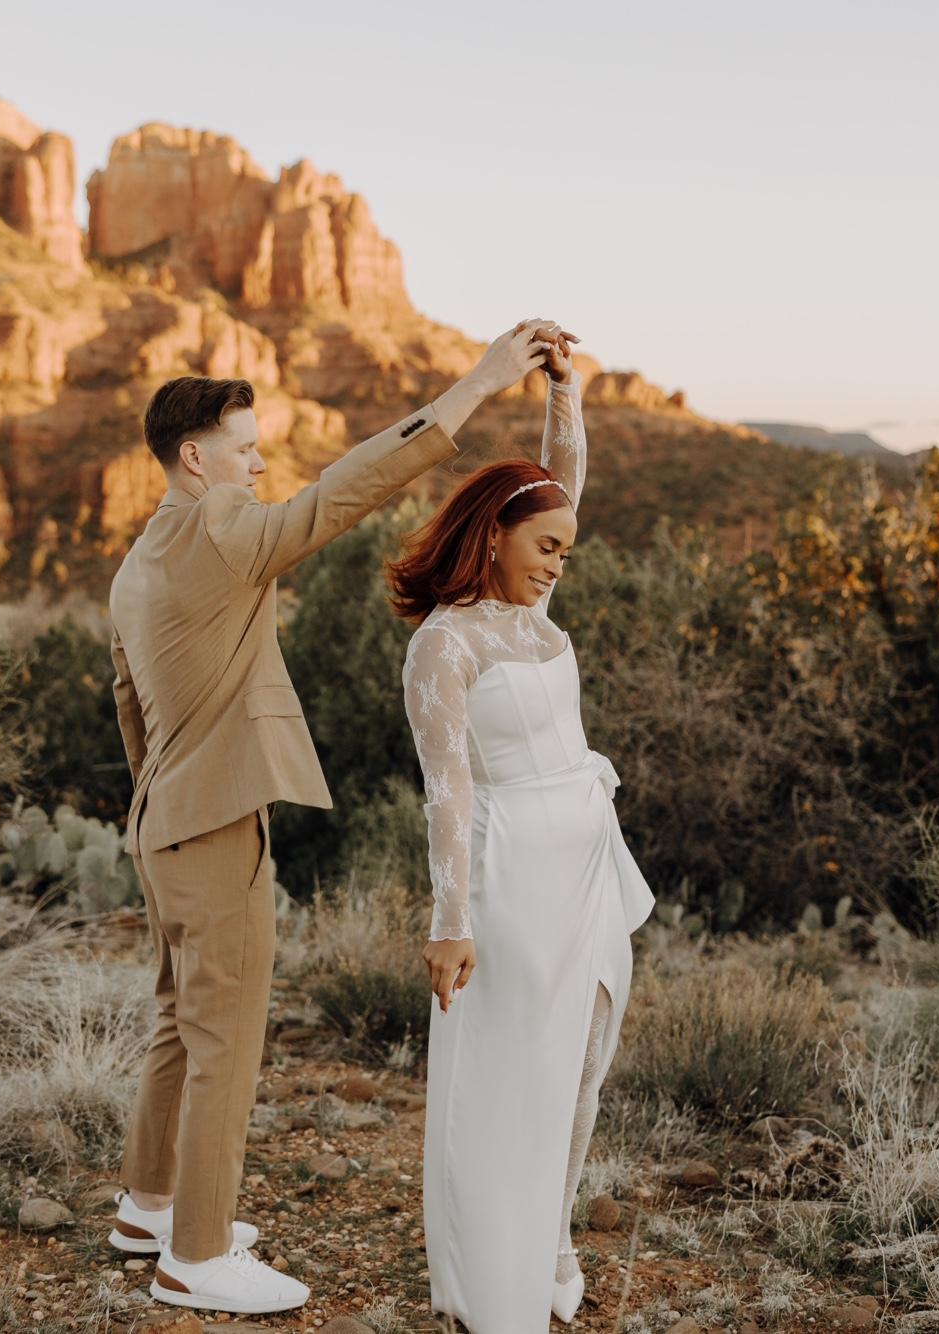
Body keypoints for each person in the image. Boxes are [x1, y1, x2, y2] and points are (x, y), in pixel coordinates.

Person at [106, 318, 566, 1316]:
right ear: (196, 458)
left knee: (180, 1021)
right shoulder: (221, 526)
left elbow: (127, 703)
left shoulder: (140, 557)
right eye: (242, 447)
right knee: (225, 1038)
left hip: (161, 819)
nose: (257, 463)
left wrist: (160, 802)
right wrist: (477, 385)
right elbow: (337, 496)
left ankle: (148, 1207)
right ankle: (195, 1255)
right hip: (212, 824)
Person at [388, 332, 656, 1332]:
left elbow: (559, 488)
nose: (556, 564)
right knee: (511, 1071)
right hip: (509, 874)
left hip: (586, 854)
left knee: (584, 1055)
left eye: (565, 552)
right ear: (493, 535)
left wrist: (564, 393)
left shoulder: (532, 612)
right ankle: (491, 1265)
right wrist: (449, 919)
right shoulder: (444, 643)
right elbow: (447, 790)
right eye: (544, 547)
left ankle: (552, 1234)